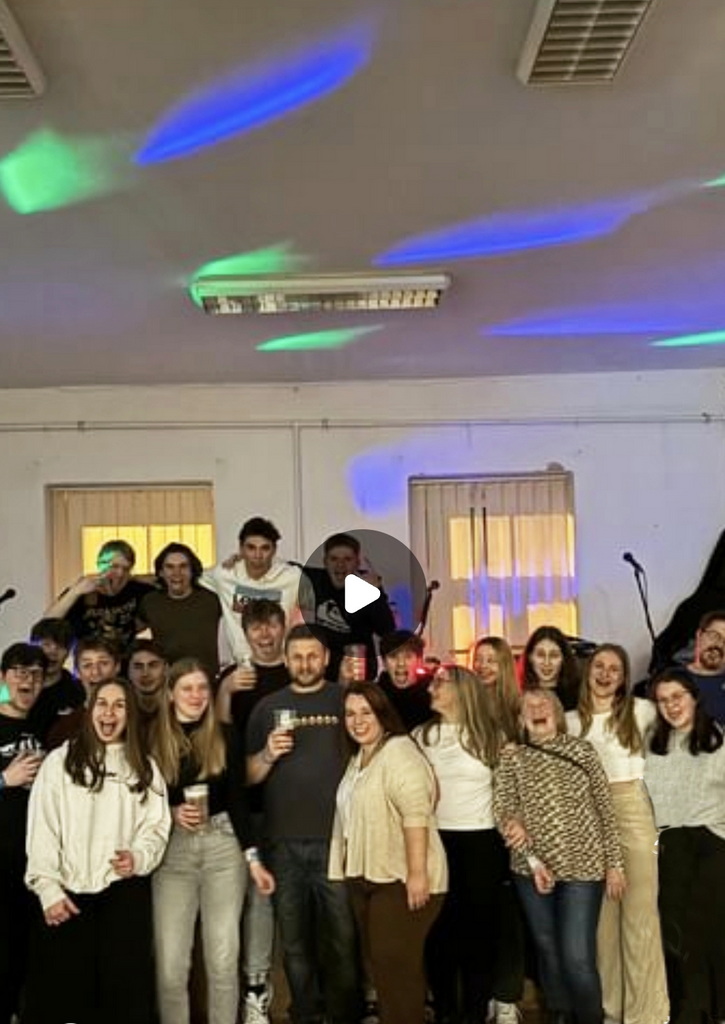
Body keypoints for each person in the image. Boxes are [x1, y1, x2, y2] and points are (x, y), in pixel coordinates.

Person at [23, 678, 170, 1024]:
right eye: (102, 704)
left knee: (124, 997)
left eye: (119, 705)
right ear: (90, 711)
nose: (109, 713)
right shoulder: (60, 762)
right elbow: (42, 829)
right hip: (67, 898)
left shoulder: (144, 766)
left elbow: (156, 827)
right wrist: (48, 889)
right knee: (67, 998)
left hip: (123, 894)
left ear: (130, 714)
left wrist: (138, 857)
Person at [247, 625, 362, 1024]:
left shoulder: (346, 700)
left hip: (338, 840)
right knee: (295, 944)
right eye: (297, 656)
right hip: (283, 844)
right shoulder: (267, 708)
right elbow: (247, 777)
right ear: (285, 659)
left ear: (326, 659)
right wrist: (267, 753)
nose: (305, 663)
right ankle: (305, 1014)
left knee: (343, 939)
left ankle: (345, 1016)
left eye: (313, 655)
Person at [150, 657, 274, 1024]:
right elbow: (137, 796)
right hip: (172, 849)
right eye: (187, 688)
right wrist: (170, 811)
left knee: (222, 960)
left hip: (222, 844)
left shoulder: (225, 734)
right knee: (171, 965)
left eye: (203, 688)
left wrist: (253, 860)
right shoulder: (151, 736)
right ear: (170, 693)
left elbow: (237, 801)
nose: (196, 695)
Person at [494, 688, 625, 1024]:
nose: (537, 708)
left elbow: (604, 808)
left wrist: (615, 863)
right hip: (530, 869)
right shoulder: (513, 757)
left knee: (577, 956)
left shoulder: (582, 751)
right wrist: (517, 831)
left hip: (584, 868)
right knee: (548, 949)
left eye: (544, 703)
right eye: (529, 706)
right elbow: (502, 809)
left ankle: (590, 1019)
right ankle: (561, 1014)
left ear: (557, 713)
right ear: (521, 720)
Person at [329, 681, 446, 1024]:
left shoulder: (398, 752)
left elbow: (416, 814)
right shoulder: (360, 757)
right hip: (367, 876)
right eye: (350, 714)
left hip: (402, 878)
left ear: (382, 714)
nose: (358, 721)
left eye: (366, 712)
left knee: (396, 970)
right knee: (383, 969)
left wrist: (417, 873)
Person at [567, 645, 668, 1024]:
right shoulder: (568, 721)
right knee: (602, 924)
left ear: (625, 678)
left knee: (640, 915)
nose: (606, 674)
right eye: (599, 666)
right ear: (587, 671)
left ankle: (647, 1015)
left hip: (634, 808)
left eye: (615, 669)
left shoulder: (643, 712)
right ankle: (613, 1010)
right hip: (588, 816)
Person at [414, 665, 513, 1024]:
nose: (431, 688)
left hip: (482, 842)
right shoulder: (421, 736)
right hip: (436, 841)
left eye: (439, 683)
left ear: (461, 690)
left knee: (480, 935)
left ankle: (474, 1012)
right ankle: (445, 1011)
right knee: (438, 933)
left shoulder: (492, 736)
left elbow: (508, 793)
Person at [215, 599, 290, 1024]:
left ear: (282, 627)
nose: (264, 634)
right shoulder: (233, 677)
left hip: (297, 806)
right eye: (256, 627)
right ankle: (256, 987)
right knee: (256, 901)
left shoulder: (298, 669)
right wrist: (226, 691)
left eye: (271, 625)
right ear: (244, 633)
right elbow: (217, 742)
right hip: (249, 806)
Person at [644, 667, 725, 1023]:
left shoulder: (719, 740)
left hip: (713, 840)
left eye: (677, 696)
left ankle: (711, 1011)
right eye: (663, 700)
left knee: (708, 927)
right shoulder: (652, 743)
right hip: (670, 843)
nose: (671, 706)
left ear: (694, 697)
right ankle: (692, 1008)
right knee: (676, 931)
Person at [0, 643, 46, 1024]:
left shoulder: (42, 726)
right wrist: (5, 779)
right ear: (3, 678)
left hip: (32, 866)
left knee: (25, 958)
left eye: (35, 674)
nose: (27, 680)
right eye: (19, 672)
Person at [203, 516, 301, 664]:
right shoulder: (224, 575)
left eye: (265, 548)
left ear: (274, 550)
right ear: (241, 549)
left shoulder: (293, 577)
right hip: (242, 665)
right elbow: (188, 576)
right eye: (251, 548)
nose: (258, 555)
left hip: (281, 663)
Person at [300, 532, 395, 682]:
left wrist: (375, 593)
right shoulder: (315, 579)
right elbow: (287, 567)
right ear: (325, 562)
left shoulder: (366, 585)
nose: (340, 565)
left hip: (359, 670)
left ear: (357, 563)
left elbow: (387, 630)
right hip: (325, 671)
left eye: (347, 559)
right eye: (334, 559)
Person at [44, 539, 153, 653]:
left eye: (126, 569)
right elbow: (46, 623)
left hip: (124, 658)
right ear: (101, 565)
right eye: (114, 566)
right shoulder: (83, 590)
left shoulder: (136, 588)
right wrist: (75, 592)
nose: (120, 574)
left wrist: (139, 578)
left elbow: (161, 585)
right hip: (89, 659)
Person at [138, 542, 222, 676]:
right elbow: (132, 631)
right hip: (167, 679)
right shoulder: (150, 602)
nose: (177, 573)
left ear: (192, 571)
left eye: (183, 566)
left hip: (207, 678)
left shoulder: (211, 599)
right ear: (161, 572)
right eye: (170, 567)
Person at [45, 635, 121, 750]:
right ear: (77, 672)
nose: (95, 672)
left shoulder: (136, 720)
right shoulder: (64, 728)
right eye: (87, 665)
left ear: (117, 667)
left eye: (103, 663)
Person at [27, 618, 84, 744]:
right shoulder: (12, 685)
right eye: (46, 644)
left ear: (68, 651)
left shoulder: (78, 691)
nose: (52, 652)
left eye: (60, 646)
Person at [375, 630, 432, 731]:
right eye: (393, 656)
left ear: (419, 661)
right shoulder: (373, 697)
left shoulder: (434, 694)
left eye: (408, 657)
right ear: (384, 663)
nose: (401, 663)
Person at [471, 635, 521, 742]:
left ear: (505, 665)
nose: (483, 666)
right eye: (478, 659)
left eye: (491, 660)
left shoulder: (520, 704)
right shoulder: (468, 702)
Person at [521, 626, 581, 711]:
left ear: (564, 659)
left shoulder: (580, 699)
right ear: (530, 657)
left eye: (554, 655)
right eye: (540, 655)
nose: (547, 662)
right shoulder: (520, 699)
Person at [127, 638, 169, 729]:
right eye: (138, 666)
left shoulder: (179, 708)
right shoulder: (122, 711)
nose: (145, 673)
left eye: (153, 665)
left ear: (166, 669)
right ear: (129, 671)